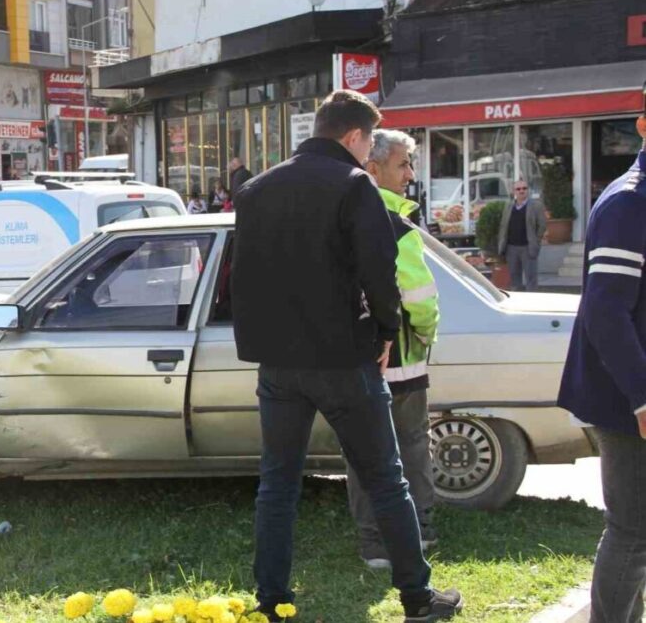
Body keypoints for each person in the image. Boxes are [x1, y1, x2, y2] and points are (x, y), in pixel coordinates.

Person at [232, 89, 461, 622]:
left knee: (278, 484)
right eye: (367, 144)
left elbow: (243, 278)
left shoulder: (256, 188)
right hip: (343, 359)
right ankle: (418, 599)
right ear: (355, 136)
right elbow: (379, 273)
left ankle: (271, 599)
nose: (367, 155)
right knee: (385, 479)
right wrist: (384, 333)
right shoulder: (354, 184)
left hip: (278, 365)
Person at [557, 93, 646, 623]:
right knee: (633, 529)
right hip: (626, 397)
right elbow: (606, 311)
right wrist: (641, 396)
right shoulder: (629, 203)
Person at [348, 129, 440, 569]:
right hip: (403, 358)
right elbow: (421, 300)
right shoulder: (398, 226)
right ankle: (419, 534)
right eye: (403, 164)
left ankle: (373, 545)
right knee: (411, 448)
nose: (410, 173)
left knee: (363, 455)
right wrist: (426, 334)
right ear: (373, 168)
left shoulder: (343, 217)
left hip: (357, 360)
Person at [497, 180, 547, 291]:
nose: (522, 191)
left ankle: (531, 304)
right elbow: (503, 225)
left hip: (527, 247)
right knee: (515, 279)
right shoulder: (509, 206)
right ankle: (517, 303)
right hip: (511, 248)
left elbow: (542, 225)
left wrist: (536, 240)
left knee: (531, 279)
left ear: (528, 190)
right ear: (514, 191)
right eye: (518, 189)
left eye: (524, 188)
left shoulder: (536, 206)